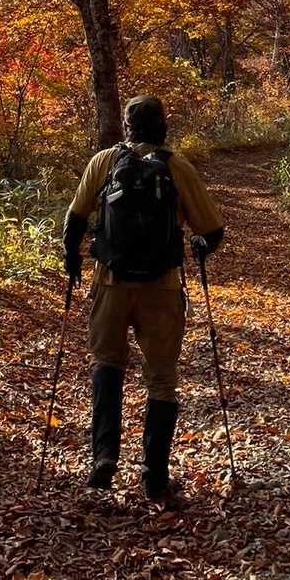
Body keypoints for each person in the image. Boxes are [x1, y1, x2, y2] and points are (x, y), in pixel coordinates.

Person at [62, 95, 224, 502]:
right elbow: (212, 231)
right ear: (162, 126)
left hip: (110, 282)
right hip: (162, 288)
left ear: (127, 126)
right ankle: (154, 477)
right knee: (162, 379)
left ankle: (104, 457)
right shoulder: (177, 166)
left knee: (106, 362)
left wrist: (72, 259)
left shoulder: (104, 162)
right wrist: (199, 247)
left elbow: (75, 219)